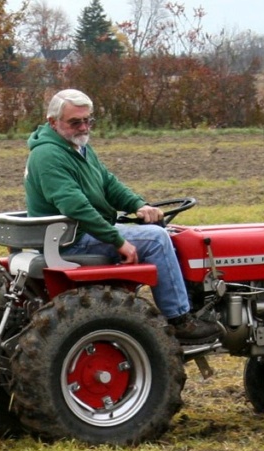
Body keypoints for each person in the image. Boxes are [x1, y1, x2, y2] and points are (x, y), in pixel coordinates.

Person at [23, 89, 219, 344]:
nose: (83, 127)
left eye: (87, 120)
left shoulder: (76, 146)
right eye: (75, 122)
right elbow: (76, 207)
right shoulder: (49, 155)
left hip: (78, 230)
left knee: (166, 232)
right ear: (53, 122)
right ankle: (180, 318)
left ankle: (193, 303)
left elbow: (108, 183)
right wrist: (117, 240)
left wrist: (139, 205)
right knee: (158, 239)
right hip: (73, 237)